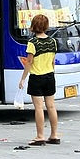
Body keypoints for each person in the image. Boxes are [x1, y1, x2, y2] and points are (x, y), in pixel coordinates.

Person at [18, 14, 60, 145]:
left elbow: (29, 62)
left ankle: (40, 136)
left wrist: (23, 79)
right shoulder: (53, 42)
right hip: (50, 76)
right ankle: (54, 135)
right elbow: (53, 62)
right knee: (51, 106)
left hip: (37, 77)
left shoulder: (33, 43)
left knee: (39, 108)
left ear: (33, 27)